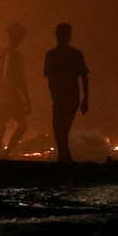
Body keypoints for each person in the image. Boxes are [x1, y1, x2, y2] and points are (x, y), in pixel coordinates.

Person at [44, 23, 89, 163]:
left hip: (67, 97)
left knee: (60, 128)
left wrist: (85, 98)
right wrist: (85, 98)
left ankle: (64, 158)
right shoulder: (73, 54)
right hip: (66, 97)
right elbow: (84, 76)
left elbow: (50, 79)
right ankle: (64, 158)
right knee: (61, 128)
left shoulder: (53, 54)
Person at [0, 23, 31, 158]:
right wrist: (28, 100)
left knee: (0, 129)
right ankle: (5, 154)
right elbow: (20, 80)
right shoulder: (16, 56)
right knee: (22, 126)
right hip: (11, 98)